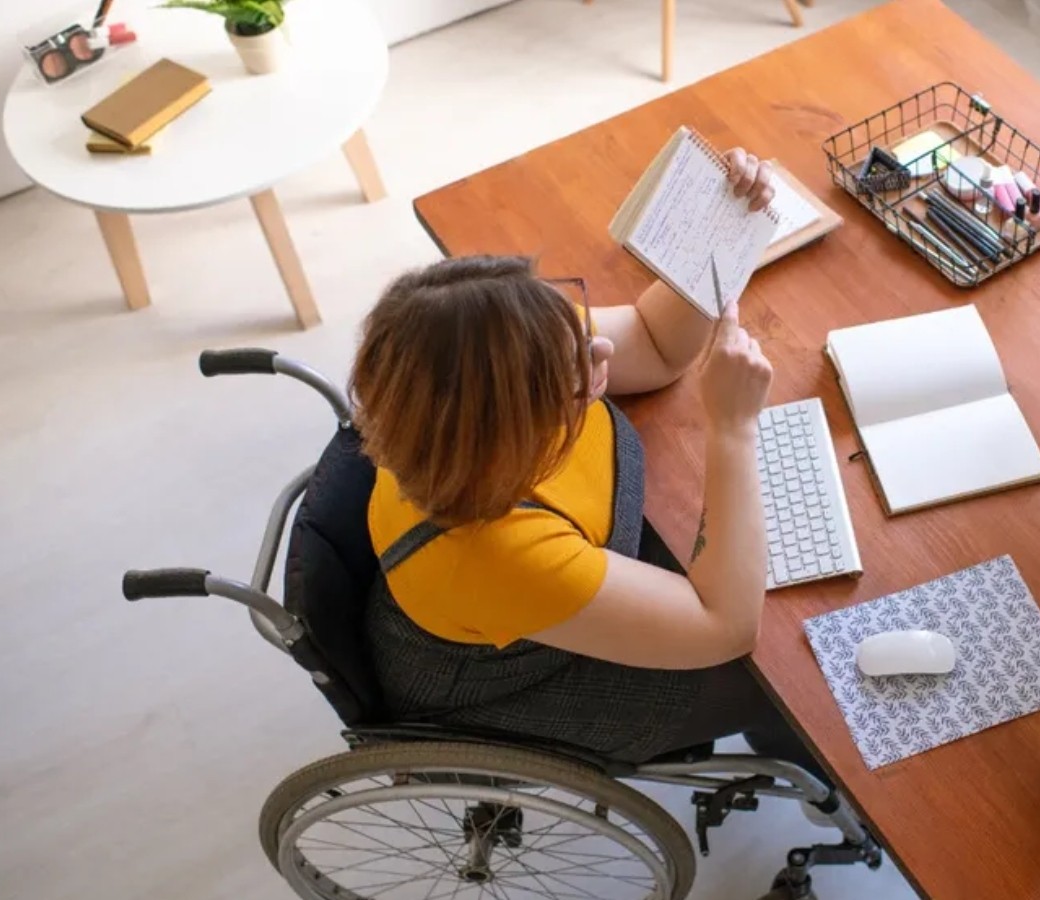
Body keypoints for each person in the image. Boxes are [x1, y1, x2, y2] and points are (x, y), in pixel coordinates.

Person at [350, 149, 825, 779]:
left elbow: (655, 347)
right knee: (792, 685)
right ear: (511, 433)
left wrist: (719, 228)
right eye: (566, 382)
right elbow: (727, 629)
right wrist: (732, 427)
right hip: (519, 682)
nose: (598, 345)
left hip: (558, 582)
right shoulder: (494, 552)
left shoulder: (498, 354)